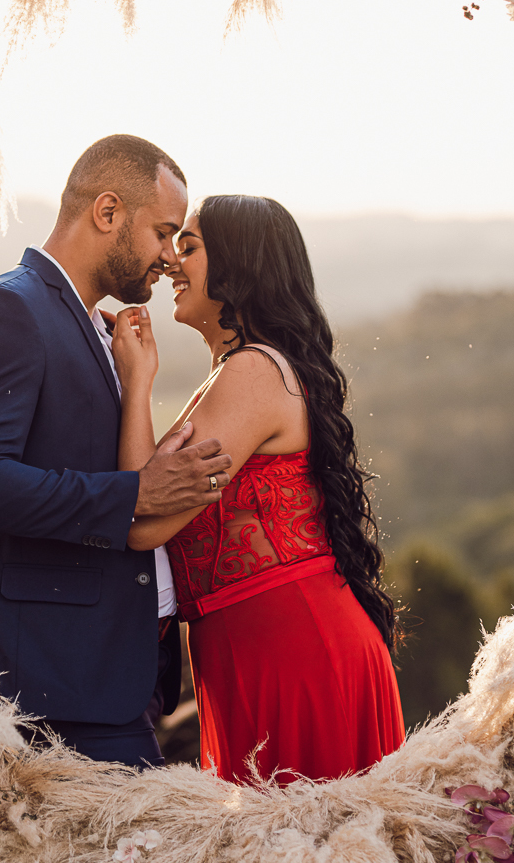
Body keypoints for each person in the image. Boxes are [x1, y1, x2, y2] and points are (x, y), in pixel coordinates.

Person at [0, 135, 232, 770]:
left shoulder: (92, 325)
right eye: (162, 232)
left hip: (107, 686)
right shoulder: (9, 309)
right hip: (45, 690)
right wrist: (136, 495)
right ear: (107, 212)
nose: (168, 258)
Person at [111, 194, 405, 784]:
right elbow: (148, 491)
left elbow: (143, 521)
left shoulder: (254, 372)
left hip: (291, 650)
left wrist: (136, 386)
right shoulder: (236, 372)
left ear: (239, 265)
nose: (170, 262)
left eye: (189, 247)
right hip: (251, 648)